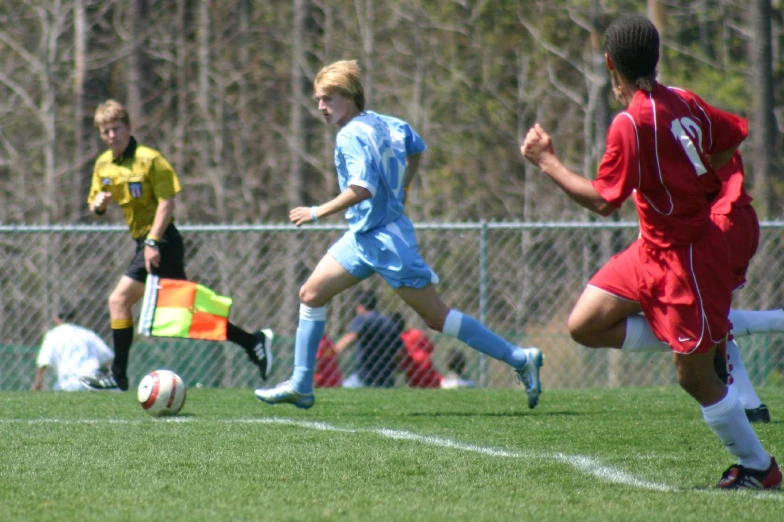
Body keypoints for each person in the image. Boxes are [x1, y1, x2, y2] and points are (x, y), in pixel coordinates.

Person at [521, 15, 779, 489]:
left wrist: (546, 161)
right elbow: (730, 139)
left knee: (694, 380)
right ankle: (704, 337)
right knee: (584, 325)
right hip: (649, 252)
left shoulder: (630, 122)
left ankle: (760, 468)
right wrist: (697, 182)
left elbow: (602, 200)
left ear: (608, 63)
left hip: (685, 260)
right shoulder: (682, 99)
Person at [256, 59, 543, 410]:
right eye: (318, 99)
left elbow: (362, 187)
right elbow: (417, 148)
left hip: (386, 242)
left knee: (437, 317)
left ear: (349, 97)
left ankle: (519, 358)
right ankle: (301, 384)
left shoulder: (349, 134)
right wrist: (403, 188)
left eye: (328, 99)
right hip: (363, 236)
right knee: (311, 293)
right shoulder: (385, 122)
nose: (321, 107)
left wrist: (316, 211)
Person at [79, 100, 273, 392]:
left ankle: (118, 376)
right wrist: (98, 205)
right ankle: (251, 342)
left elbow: (167, 203)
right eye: (105, 131)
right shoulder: (103, 165)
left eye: (116, 129)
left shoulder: (150, 159)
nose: (111, 136)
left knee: (121, 301)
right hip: (143, 244)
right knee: (186, 314)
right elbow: (95, 207)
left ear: (129, 128)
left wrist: (153, 241)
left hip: (163, 241)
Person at [617, 152, 770, 423]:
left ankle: (736, 393)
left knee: (699, 320)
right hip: (734, 217)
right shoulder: (696, 117)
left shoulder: (662, 121)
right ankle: (750, 405)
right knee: (711, 321)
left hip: (714, 222)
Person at [33, 305, 114, 392]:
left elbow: (44, 361)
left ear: (56, 319)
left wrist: (38, 379)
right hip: (92, 381)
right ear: (74, 318)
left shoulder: (53, 335)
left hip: (68, 382)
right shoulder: (87, 333)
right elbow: (109, 357)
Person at [335, 290, 403, 388]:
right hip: (386, 376)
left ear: (360, 306)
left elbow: (351, 337)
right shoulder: (389, 323)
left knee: (343, 390)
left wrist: (333, 351)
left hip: (365, 374)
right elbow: (399, 352)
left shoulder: (362, 319)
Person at [391, 312, 443, 388]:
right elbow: (430, 348)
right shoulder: (416, 333)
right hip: (430, 373)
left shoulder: (398, 340)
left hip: (413, 376)